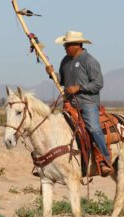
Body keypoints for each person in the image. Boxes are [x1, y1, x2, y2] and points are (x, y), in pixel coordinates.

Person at [46, 31, 113, 177]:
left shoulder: (89, 61)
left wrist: (79, 88)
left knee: (94, 128)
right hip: (69, 103)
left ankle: (105, 159)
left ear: (78, 45)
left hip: (88, 103)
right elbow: (62, 80)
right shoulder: (65, 60)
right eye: (65, 44)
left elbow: (98, 83)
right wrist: (52, 74)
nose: (65, 47)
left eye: (68, 44)